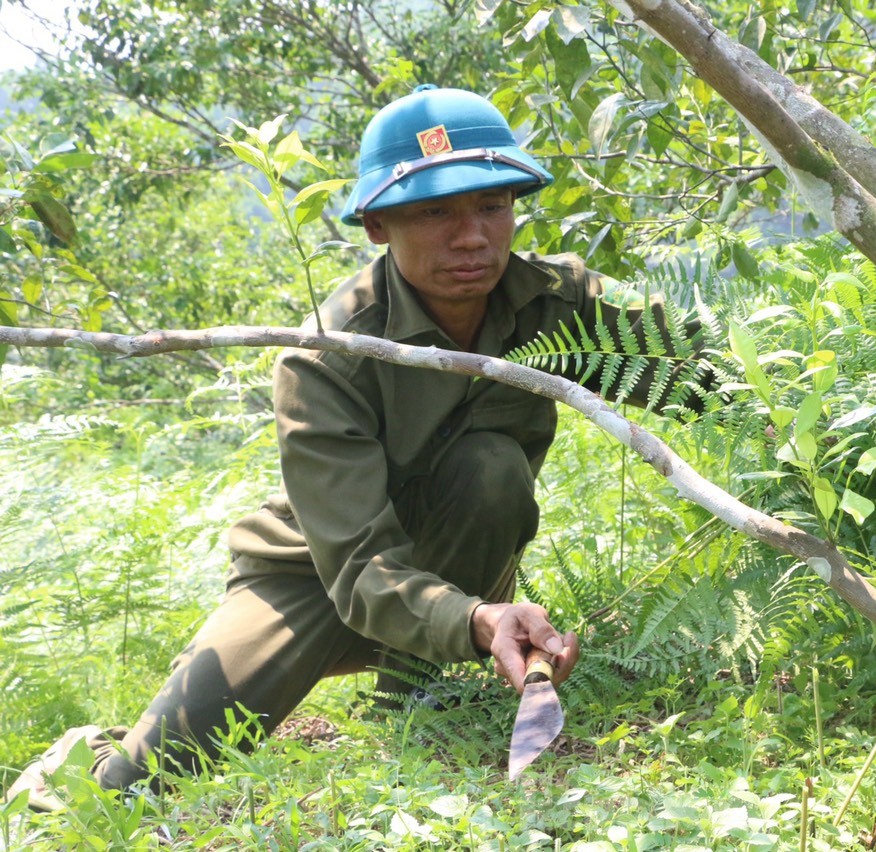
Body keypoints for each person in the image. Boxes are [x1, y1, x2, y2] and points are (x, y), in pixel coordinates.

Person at [7, 84, 705, 810]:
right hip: (315, 576)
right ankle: (82, 756)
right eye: (435, 211)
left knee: (490, 468)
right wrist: (478, 620)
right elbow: (358, 564)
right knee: (139, 788)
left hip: (452, 566)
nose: (472, 236)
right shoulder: (325, 355)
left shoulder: (561, 304)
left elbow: (716, 375)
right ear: (376, 225)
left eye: (491, 206)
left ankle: (421, 720)